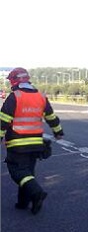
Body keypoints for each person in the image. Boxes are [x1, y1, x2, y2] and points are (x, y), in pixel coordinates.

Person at [0, 67, 64, 215]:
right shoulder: (41, 96)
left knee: (17, 171)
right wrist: (58, 132)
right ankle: (23, 203)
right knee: (28, 172)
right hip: (36, 142)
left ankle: (37, 193)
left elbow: (3, 121)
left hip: (17, 142)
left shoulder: (14, 96)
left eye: (11, 81)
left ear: (15, 81)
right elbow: (51, 117)